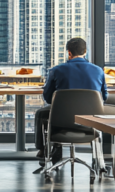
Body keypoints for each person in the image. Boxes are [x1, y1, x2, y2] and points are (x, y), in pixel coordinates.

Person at [34, 37, 106, 165]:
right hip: (91, 120)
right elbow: (104, 97)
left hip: (62, 119)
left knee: (42, 113)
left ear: (69, 52)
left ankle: (44, 150)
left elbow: (48, 97)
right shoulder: (98, 71)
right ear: (85, 52)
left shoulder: (56, 70)